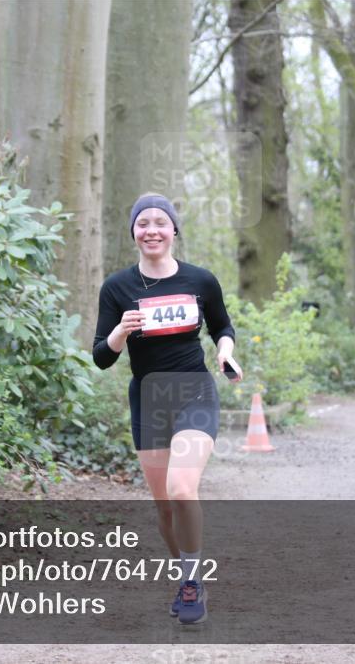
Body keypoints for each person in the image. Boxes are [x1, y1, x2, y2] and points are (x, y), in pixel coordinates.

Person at [92, 192, 242, 625]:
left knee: (181, 489)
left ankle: (192, 583)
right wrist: (120, 330)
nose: (152, 230)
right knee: (163, 506)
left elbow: (222, 326)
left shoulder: (200, 280)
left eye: (160, 222)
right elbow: (102, 356)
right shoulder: (117, 288)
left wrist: (225, 353)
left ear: (174, 230)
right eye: (143, 224)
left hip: (194, 390)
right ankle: (186, 575)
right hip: (148, 399)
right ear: (134, 233)